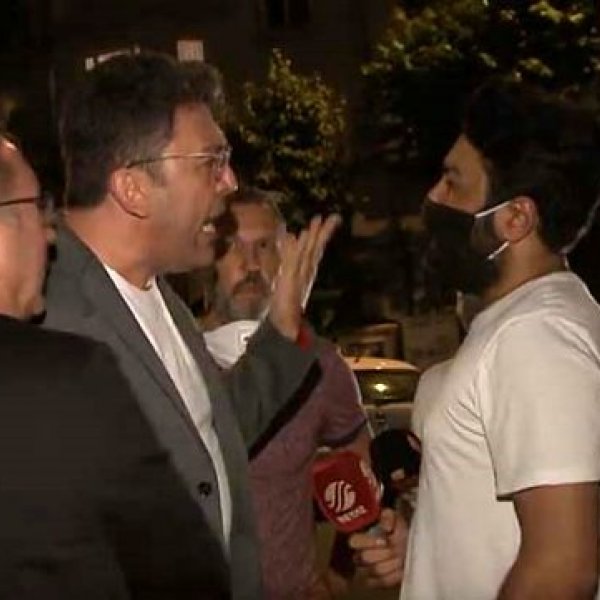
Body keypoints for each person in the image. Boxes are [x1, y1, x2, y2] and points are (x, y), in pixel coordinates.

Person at [43, 51, 338, 600]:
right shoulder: (45, 320)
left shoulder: (166, 301)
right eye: (212, 161)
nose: (231, 182)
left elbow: (207, 444)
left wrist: (282, 326)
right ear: (132, 186)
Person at [350, 80, 600, 599]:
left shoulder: (536, 336)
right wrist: (424, 546)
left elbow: (562, 569)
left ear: (515, 218)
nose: (433, 198)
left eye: (452, 182)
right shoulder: (517, 322)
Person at [0, 134, 235, 598]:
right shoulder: (66, 376)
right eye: (37, 206)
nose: (50, 232)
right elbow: (179, 565)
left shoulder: (169, 313)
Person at [201, 186, 371, 599]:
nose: (250, 264)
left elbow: (361, 473)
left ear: (285, 257)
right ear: (206, 259)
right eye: (232, 246)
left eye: (264, 246)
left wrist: (338, 577)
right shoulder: (175, 357)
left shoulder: (320, 363)